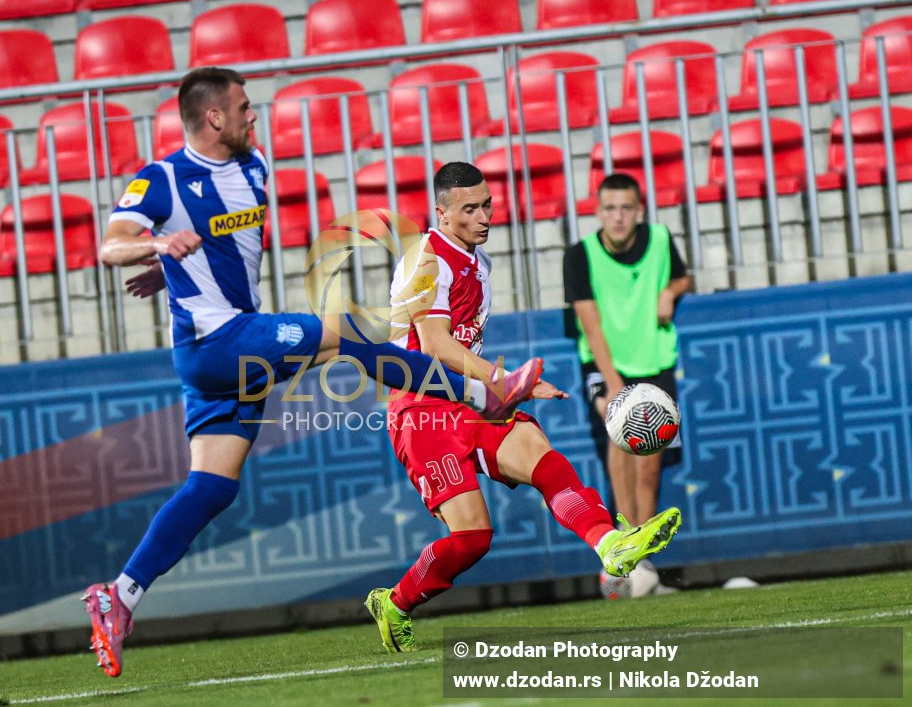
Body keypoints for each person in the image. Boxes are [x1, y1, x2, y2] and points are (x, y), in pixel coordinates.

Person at [81, 67, 546, 678]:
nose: (254, 116)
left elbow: (220, 244)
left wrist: (173, 267)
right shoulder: (163, 178)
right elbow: (109, 245)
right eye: (243, 107)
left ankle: (119, 596)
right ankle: (477, 391)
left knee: (214, 486)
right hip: (216, 340)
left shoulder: (255, 170)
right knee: (346, 333)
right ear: (214, 116)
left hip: (231, 351)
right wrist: (156, 249)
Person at [363, 163, 683, 652]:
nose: (484, 216)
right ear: (442, 213)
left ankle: (610, 544)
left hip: (469, 400)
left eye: (487, 204)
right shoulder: (426, 258)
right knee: (472, 539)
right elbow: (435, 346)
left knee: (542, 457)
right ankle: (395, 602)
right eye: (469, 209)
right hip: (423, 407)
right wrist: (502, 379)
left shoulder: (479, 261)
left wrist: (511, 389)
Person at [562, 172, 691, 597]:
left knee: (651, 465)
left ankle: (642, 562)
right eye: (609, 208)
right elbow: (591, 326)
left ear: (639, 210)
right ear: (598, 212)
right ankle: (622, 557)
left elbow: (682, 276)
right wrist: (618, 390)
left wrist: (670, 291)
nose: (618, 217)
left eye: (626, 208)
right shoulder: (579, 255)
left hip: (654, 361)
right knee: (620, 443)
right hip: (605, 365)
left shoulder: (659, 238)